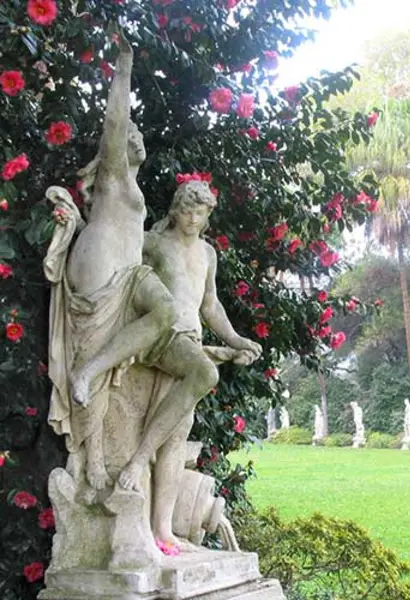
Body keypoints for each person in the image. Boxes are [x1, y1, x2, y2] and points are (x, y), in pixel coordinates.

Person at [51, 35, 179, 491]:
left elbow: (139, 236)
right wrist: (124, 66)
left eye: (138, 134)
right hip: (101, 269)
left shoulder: (132, 189)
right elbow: (114, 119)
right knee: (94, 372)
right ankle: (94, 464)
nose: (135, 138)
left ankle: (93, 368)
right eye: (131, 135)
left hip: (126, 270)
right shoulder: (113, 174)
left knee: (164, 313)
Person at [119, 180, 261, 545]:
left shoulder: (207, 253)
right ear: (175, 210)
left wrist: (236, 339)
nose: (192, 218)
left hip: (191, 343)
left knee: (176, 437)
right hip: (164, 336)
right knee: (206, 372)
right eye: (186, 210)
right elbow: (120, 262)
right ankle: (137, 461)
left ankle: (161, 529)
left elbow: (210, 305)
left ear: (207, 216)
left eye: (200, 213)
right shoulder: (155, 243)